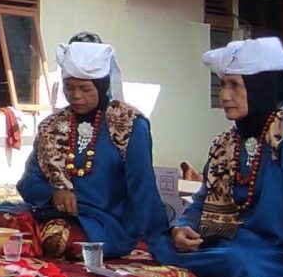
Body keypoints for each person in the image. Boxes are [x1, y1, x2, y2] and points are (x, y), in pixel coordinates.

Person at [166, 37, 283, 277]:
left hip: (278, 254)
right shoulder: (227, 142)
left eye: (235, 86)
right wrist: (182, 227)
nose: (224, 95)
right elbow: (202, 200)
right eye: (223, 85)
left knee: (235, 262)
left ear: (262, 88)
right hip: (232, 242)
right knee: (163, 240)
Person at [10, 37, 166, 260]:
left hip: (105, 222)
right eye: (69, 87)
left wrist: (159, 239)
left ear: (102, 87)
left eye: (84, 88)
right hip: (51, 212)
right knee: (1, 219)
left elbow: (142, 186)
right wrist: (55, 193)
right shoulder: (52, 126)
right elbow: (29, 182)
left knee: (58, 237)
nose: (75, 96)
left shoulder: (128, 124)